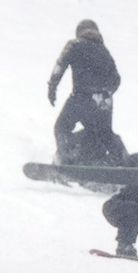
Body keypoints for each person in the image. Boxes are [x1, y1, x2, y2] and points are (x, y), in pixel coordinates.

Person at [47, 19, 123, 165]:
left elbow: (60, 65)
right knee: (103, 134)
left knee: (62, 127)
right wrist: (104, 94)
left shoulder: (75, 45)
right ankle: (120, 160)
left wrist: (52, 87)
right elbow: (116, 79)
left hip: (82, 97)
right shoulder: (104, 50)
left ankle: (67, 162)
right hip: (104, 101)